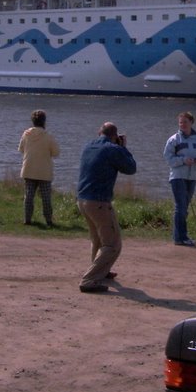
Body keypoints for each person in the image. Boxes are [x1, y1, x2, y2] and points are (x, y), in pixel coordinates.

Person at [76, 122, 136, 293]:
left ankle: (101, 271)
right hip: (99, 202)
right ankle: (89, 279)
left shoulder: (89, 146)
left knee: (98, 240)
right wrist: (123, 147)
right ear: (114, 136)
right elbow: (131, 168)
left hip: (82, 200)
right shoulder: (113, 149)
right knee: (112, 244)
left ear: (99, 132)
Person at [163, 111, 196, 246]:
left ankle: (182, 236)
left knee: (185, 207)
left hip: (192, 176)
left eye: (185, 122)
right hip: (177, 176)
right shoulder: (173, 139)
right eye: (180, 122)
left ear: (191, 123)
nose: (182, 125)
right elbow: (167, 158)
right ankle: (180, 237)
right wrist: (183, 160)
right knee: (180, 206)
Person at [18, 109, 61, 227]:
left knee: (29, 196)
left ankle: (27, 219)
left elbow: (21, 149)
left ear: (33, 121)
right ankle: (49, 221)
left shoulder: (26, 134)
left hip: (29, 169)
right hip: (44, 171)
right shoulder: (48, 136)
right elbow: (56, 153)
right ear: (44, 121)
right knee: (46, 197)